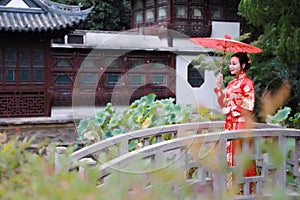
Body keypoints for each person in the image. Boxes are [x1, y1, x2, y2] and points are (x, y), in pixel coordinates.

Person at [214, 52, 256, 194]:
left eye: (234, 63)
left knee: (240, 156)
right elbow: (222, 103)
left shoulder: (247, 83)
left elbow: (248, 106)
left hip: (241, 124)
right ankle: (230, 189)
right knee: (228, 156)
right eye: (230, 63)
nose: (230, 66)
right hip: (230, 124)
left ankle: (244, 189)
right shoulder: (232, 83)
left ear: (243, 65)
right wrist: (219, 87)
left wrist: (230, 109)